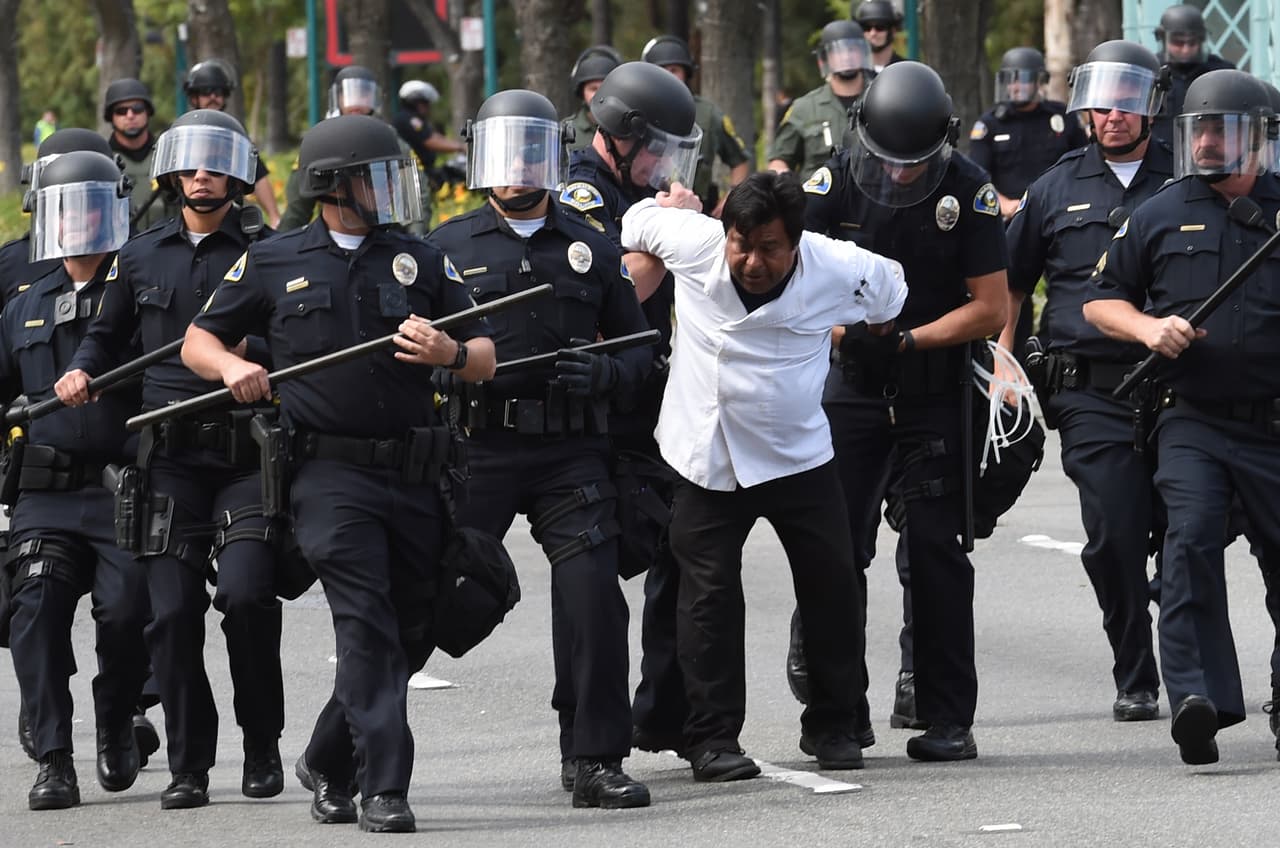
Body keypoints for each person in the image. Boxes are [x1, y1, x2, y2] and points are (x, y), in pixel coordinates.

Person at [182, 113, 495, 832]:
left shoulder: (418, 259)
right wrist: (235, 367)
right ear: (334, 185)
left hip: (417, 470)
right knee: (366, 623)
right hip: (329, 474)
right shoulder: (272, 259)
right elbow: (199, 341)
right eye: (375, 176)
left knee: (418, 622)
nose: (389, 190)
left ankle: (327, 756)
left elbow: (486, 355)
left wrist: (449, 352)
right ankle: (384, 784)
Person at [621, 170, 907, 779]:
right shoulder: (693, 240)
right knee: (709, 595)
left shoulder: (835, 265)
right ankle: (712, 738)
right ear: (724, 233)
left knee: (833, 582)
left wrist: (871, 334)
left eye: (769, 248)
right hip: (706, 447)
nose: (752, 261)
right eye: (741, 244)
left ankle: (835, 722)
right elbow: (635, 222)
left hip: (795, 448)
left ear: (797, 242)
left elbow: (891, 292)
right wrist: (673, 205)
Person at [429, 88, 654, 808]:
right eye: (501, 152)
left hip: (570, 449)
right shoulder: (444, 248)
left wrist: (608, 370)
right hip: (480, 445)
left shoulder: (592, 244)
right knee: (428, 591)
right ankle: (340, 748)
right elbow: (406, 353)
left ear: (552, 157)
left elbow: (642, 350)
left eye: (529, 152)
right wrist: (447, 361)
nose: (515, 169)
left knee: (592, 596)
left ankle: (593, 757)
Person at [55, 110, 284, 811]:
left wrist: (258, 359)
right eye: (192, 163)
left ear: (238, 174)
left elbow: (298, 343)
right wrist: (80, 372)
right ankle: (189, 763)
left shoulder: (273, 253)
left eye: (217, 163)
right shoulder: (140, 255)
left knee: (246, 597)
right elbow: (105, 336)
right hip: (170, 458)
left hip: (246, 454)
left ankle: (262, 744)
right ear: (173, 172)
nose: (203, 174)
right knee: (172, 614)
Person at [800, 61, 1008, 760]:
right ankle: (837, 718)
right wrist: (845, 335)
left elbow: (990, 306)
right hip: (851, 388)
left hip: (931, 387)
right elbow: (791, 283)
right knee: (836, 552)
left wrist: (911, 340)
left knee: (935, 552)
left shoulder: (969, 189)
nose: (902, 175)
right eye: (891, 163)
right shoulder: (831, 184)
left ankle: (947, 715)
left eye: (915, 164)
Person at [1084, 69, 1280, 765]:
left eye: (1219, 129)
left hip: (1275, 423)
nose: (1202, 141)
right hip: (1191, 417)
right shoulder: (1161, 212)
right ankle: (1198, 698)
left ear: (1259, 137)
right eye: (1195, 128)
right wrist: (1147, 329)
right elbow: (1099, 300)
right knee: (1188, 542)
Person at [998, 39, 1172, 723]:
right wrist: (1003, 367)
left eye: (1128, 102)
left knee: (1190, 524)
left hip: (1177, 386)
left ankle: (1182, 624)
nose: (1114, 115)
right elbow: (1010, 286)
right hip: (1088, 389)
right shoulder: (1055, 187)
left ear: (1151, 106)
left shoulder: (1184, 180)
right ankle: (1138, 673)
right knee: (1114, 535)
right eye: (1102, 103)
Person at [556, 61, 702, 760]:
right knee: (593, 575)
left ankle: (665, 713)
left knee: (683, 546)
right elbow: (609, 290)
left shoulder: (642, 188)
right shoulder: (584, 189)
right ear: (621, 136)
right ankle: (581, 728)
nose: (666, 165)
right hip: (600, 403)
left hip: (655, 395)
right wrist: (671, 237)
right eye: (658, 149)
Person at [2, 149, 148, 811]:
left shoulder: (144, 294)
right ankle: (53, 757)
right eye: (65, 208)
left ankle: (117, 718)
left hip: (123, 489)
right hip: (46, 496)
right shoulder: (23, 306)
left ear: (112, 210)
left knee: (125, 613)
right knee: (35, 609)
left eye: (91, 206)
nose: (78, 221)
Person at [642, 35, 750, 213]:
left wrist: (730, 197)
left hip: (696, 212)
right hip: (648, 208)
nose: (668, 76)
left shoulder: (708, 114)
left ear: (686, 73)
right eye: (661, 69)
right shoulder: (638, 108)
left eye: (674, 69)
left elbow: (740, 162)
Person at [279, 65, 386, 232]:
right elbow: (298, 206)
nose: (356, 103)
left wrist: (417, 234)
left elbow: (416, 194)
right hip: (336, 232)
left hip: (385, 230)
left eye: (363, 94)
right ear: (337, 98)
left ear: (374, 98)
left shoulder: (389, 139)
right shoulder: (323, 142)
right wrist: (281, 244)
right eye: (350, 94)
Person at [766, 20, 874, 179]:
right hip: (819, 199)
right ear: (824, 59)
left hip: (871, 195)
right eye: (838, 51)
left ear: (863, 53)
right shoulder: (804, 108)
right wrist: (783, 179)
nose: (846, 56)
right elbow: (779, 160)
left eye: (852, 49)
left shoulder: (881, 98)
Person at [183, 60, 282, 227]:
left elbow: (257, 176)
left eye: (219, 92)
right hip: (189, 218)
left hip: (229, 218)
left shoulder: (235, 136)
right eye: (207, 92)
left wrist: (274, 217)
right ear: (194, 97)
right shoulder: (182, 136)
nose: (213, 97)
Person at [1150, 3, 1235, 150]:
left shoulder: (1221, 72)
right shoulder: (1151, 72)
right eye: (1178, 42)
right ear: (1163, 38)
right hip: (1159, 156)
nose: (1186, 49)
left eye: (1192, 42)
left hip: (1209, 152)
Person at [103, 78, 176, 231]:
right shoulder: (102, 162)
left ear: (148, 112)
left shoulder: (170, 156)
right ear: (111, 117)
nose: (130, 115)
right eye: (121, 111)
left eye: (137, 109)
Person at [566, 46, 622, 153]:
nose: (599, 94)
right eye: (593, 89)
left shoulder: (628, 131)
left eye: (605, 87)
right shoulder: (567, 131)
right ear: (582, 92)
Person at [853, 0, 905, 71]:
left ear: (893, 31)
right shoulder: (854, 71)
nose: (873, 33)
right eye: (866, 27)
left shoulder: (905, 69)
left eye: (880, 27)